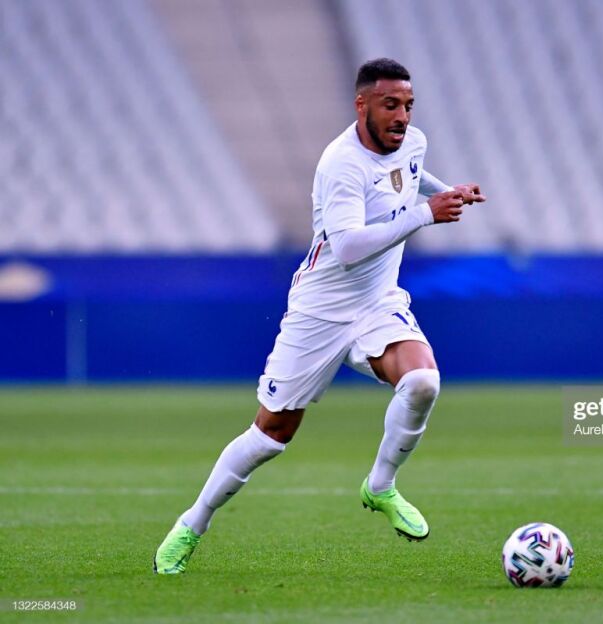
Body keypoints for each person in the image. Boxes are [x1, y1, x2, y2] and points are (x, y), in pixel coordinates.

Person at [154, 58, 485, 574]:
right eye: (391, 105)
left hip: (377, 302)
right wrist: (427, 214)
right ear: (362, 104)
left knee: (422, 382)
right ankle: (191, 525)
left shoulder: (413, 143)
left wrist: (443, 192)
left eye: (408, 105)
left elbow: (409, 175)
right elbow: (348, 248)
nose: (402, 116)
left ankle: (381, 486)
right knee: (271, 436)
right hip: (320, 310)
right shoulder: (340, 165)